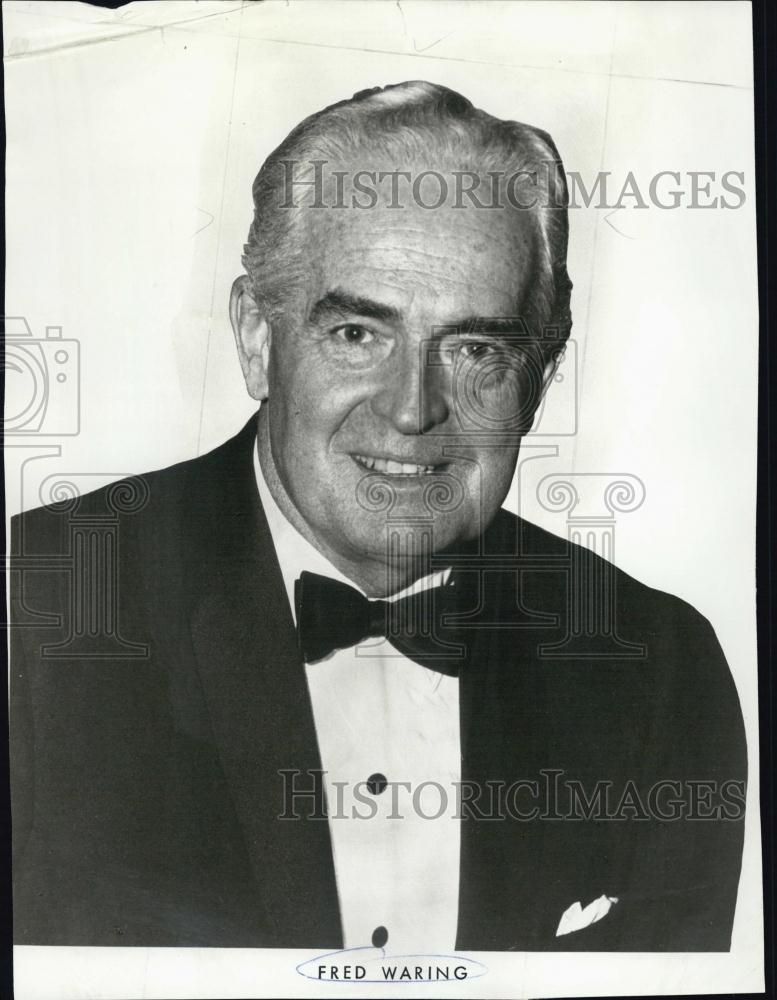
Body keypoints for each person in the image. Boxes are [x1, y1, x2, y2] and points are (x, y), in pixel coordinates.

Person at [9, 81, 746, 952]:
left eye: (475, 349)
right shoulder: (37, 613)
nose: (411, 410)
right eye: (358, 333)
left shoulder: (657, 669)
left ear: (539, 379)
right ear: (256, 338)